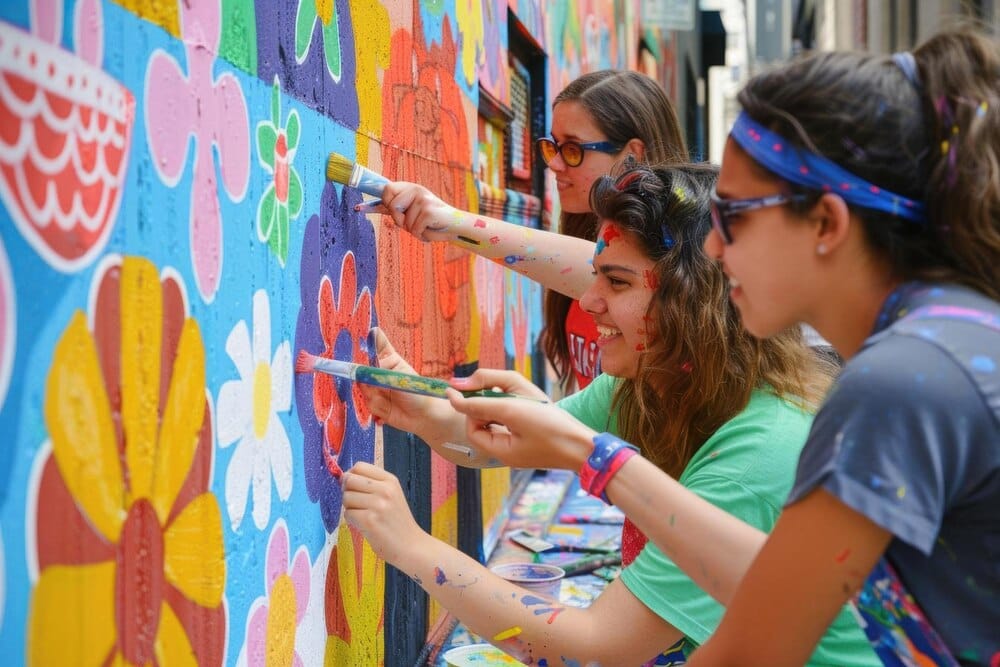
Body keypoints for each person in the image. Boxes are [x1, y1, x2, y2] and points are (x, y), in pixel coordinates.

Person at [450, 26, 1000, 666]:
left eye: (733, 217)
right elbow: (781, 584)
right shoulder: (942, 344)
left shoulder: (902, 382)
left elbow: (754, 638)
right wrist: (589, 453)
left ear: (826, 223)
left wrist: (588, 456)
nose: (711, 249)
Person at [344, 163, 879, 665]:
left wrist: (411, 547)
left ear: (697, 301)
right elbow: (507, 439)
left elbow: (597, 647)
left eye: (617, 282)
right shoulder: (655, 383)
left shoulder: (758, 457)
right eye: (595, 275)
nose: (590, 301)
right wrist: (423, 412)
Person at [371, 69, 687, 393]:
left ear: (633, 155)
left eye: (574, 150)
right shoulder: (585, 236)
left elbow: (590, 266)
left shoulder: (677, 257)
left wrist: (450, 221)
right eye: (554, 147)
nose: (555, 165)